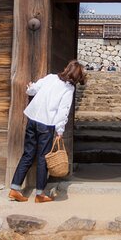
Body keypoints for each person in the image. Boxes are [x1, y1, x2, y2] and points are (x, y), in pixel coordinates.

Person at [8, 60, 86, 203]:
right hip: (47, 123)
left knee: (28, 154)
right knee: (43, 158)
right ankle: (39, 194)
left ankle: (14, 188)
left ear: (66, 69)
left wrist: (31, 87)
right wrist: (60, 130)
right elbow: (63, 111)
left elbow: (32, 90)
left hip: (32, 119)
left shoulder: (50, 77)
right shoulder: (68, 89)